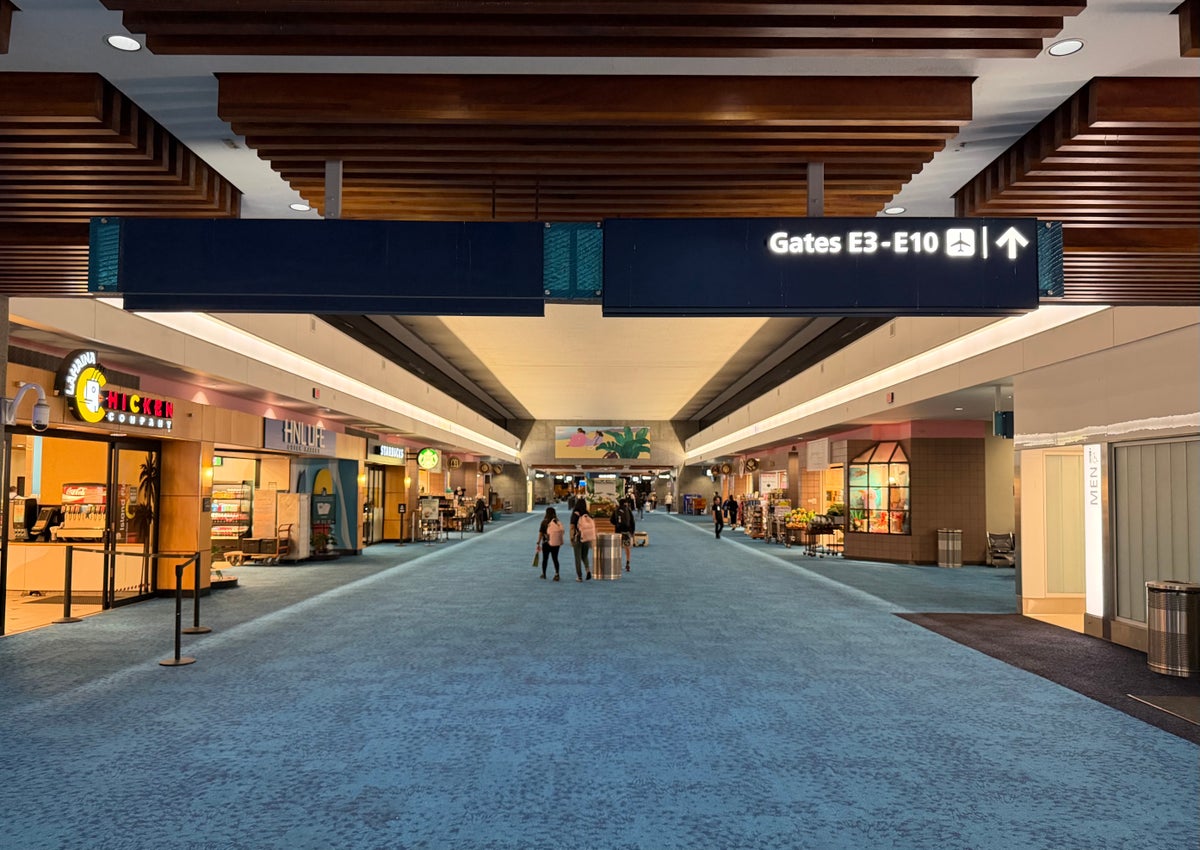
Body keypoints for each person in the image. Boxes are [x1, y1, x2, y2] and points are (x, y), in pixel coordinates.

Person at [570, 499, 595, 581]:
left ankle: (579, 576)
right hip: (587, 537)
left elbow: (572, 527)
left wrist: (571, 538)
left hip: (578, 537)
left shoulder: (575, 514)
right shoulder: (588, 514)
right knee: (584, 555)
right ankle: (588, 570)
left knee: (577, 557)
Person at [537, 506, 564, 581]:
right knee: (555, 558)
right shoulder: (557, 522)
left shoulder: (544, 522)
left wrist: (538, 542)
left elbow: (541, 533)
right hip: (556, 543)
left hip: (546, 543)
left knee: (545, 559)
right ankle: (557, 574)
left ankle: (544, 574)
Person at [612, 497, 636, 571]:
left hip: (618, 532)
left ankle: (617, 563)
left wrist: (616, 524)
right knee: (627, 547)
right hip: (626, 532)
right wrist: (632, 532)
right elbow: (632, 521)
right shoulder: (628, 510)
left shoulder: (616, 510)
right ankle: (627, 562)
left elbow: (611, 520)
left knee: (618, 547)